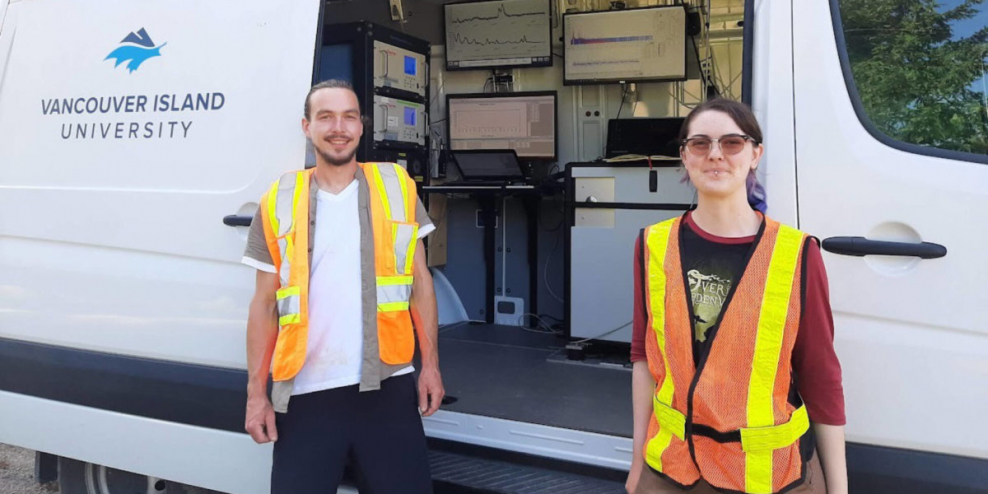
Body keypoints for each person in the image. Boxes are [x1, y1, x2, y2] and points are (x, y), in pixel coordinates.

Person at [625, 99, 848, 494]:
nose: (715, 154)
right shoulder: (653, 245)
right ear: (684, 156)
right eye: (699, 143)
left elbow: (821, 376)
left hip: (767, 479)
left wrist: (839, 487)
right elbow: (644, 357)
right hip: (670, 472)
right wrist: (636, 461)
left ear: (754, 154)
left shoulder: (795, 254)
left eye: (732, 142)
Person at [241, 79, 443, 494]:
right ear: (307, 126)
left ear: (361, 127)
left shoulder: (397, 187)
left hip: (387, 388)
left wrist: (432, 366)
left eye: (349, 117)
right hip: (306, 396)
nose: (339, 127)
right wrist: (255, 395)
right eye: (326, 117)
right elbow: (263, 306)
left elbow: (420, 283)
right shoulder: (278, 199)